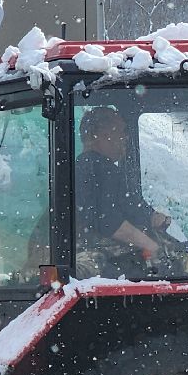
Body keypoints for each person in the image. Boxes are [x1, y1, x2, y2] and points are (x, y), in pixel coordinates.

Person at [76, 106, 172, 268]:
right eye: (120, 131)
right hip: (115, 261)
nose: (125, 137)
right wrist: (151, 246)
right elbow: (108, 221)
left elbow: (129, 206)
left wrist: (152, 217)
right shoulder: (96, 168)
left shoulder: (97, 168)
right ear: (98, 135)